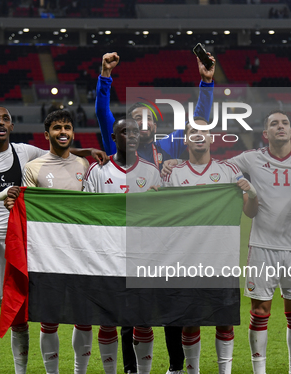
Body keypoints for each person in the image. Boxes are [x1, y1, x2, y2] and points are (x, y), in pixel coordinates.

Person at [0, 106, 105, 374]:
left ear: (12, 127)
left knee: (18, 314)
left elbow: (60, 154)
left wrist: (87, 152)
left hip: (15, 243)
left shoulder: (24, 153)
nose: (1, 123)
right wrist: (1, 196)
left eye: (6, 119)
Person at [96, 51, 214, 374]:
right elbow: (101, 112)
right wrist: (105, 76)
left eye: (148, 118)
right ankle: (132, 369)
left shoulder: (170, 147)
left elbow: (199, 124)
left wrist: (206, 83)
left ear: (155, 125)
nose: (142, 124)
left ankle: (177, 366)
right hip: (125, 241)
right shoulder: (118, 147)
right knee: (128, 312)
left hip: (165, 242)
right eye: (136, 119)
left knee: (170, 307)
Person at [229, 110, 291, 374]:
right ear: (266, 133)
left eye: (285, 123)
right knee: (260, 310)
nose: (280, 127)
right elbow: (221, 167)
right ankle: (259, 370)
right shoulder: (251, 158)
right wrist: (173, 164)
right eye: (274, 124)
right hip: (262, 245)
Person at [163, 118, 258, 374]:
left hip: (221, 260)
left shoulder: (228, 170)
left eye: (203, 131)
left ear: (211, 138)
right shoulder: (173, 173)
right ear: (186, 140)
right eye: (192, 131)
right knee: (190, 322)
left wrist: (252, 192)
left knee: (224, 322)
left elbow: (250, 212)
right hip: (187, 261)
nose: (198, 135)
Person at [5, 109, 91, 374]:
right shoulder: (34, 168)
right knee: (49, 319)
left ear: (73, 132)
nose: (62, 132)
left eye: (67, 127)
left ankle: (80, 372)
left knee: (84, 318)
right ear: (46, 134)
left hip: (81, 252)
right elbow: (26, 209)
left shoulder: (84, 166)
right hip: (47, 253)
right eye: (57, 128)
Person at [83, 118, 161, 374]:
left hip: (142, 257)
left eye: (136, 131)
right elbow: (87, 215)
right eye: (125, 132)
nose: (133, 135)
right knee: (108, 321)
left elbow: (161, 217)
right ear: (114, 138)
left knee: (143, 320)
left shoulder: (151, 171)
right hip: (108, 257)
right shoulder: (98, 171)